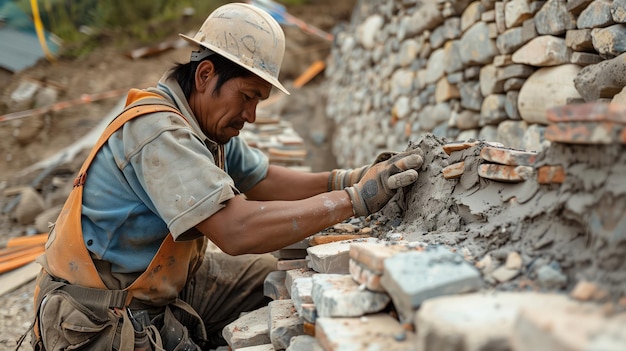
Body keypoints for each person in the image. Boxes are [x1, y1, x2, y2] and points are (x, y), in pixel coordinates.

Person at [24, 2, 424, 350]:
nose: (250, 116)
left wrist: (348, 178)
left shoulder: (206, 123)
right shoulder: (160, 132)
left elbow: (261, 179)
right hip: (97, 314)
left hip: (156, 283)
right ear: (205, 75)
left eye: (258, 102)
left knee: (274, 279)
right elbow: (236, 231)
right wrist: (355, 201)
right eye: (247, 97)